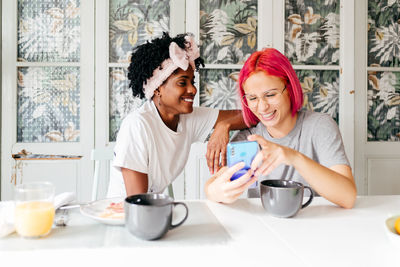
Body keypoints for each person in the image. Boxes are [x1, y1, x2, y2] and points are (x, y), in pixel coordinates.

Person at [205, 48, 357, 208]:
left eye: (270, 95)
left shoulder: (320, 127)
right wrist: (215, 192)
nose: (262, 107)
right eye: (252, 98)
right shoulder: (248, 138)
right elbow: (212, 187)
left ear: (290, 89)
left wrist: (293, 157)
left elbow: (348, 197)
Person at [107, 32, 245, 197]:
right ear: (157, 87)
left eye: (192, 82)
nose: (193, 89)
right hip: (124, 215)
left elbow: (251, 116)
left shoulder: (187, 118)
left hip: (153, 208)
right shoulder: (137, 125)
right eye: (182, 83)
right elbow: (137, 202)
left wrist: (224, 125)